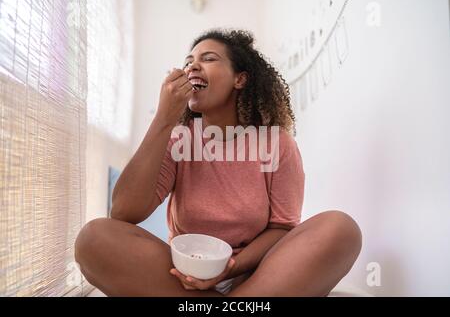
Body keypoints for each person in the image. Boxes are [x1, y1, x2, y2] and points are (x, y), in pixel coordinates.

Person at [75, 29, 362, 297]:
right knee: (93, 239)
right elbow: (124, 212)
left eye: (208, 58)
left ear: (240, 79)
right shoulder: (179, 139)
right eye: (189, 61)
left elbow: (282, 229)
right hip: (181, 277)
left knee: (340, 229)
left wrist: (232, 266)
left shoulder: (277, 144)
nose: (192, 66)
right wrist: (164, 119)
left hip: (254, 277)